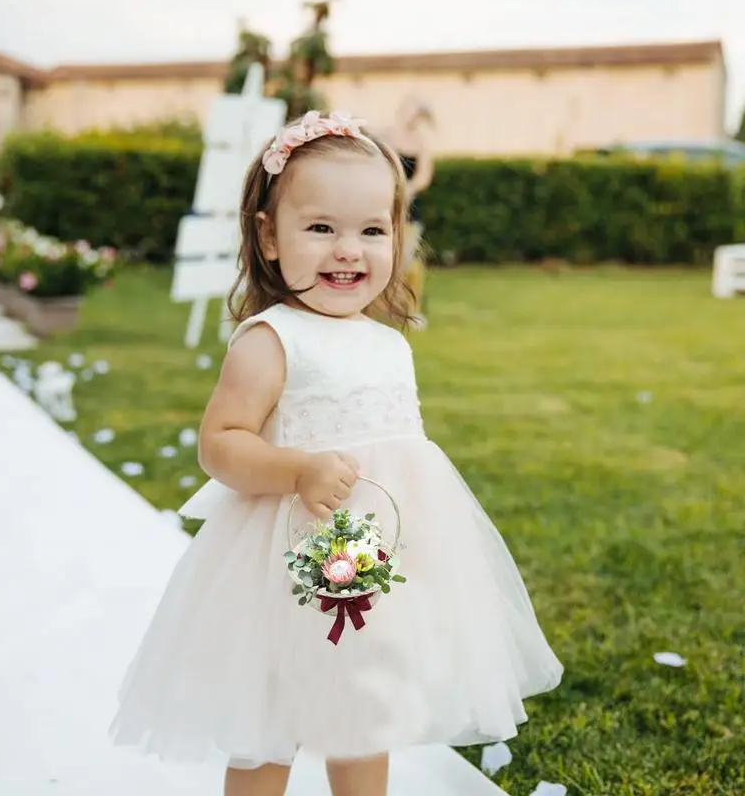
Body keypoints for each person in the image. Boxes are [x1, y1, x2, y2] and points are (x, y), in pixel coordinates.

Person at [109, 110, 563, 796]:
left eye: (372, 231)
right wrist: (297, 469)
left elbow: (397, 455)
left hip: (378, 567)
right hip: (288, 565)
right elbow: (221, 444)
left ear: (398, 238)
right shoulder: (273, 338)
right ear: (268, 236)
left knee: (364, 713)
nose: (348, 250)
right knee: (273, 716)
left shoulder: (388, 344)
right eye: (321, 228)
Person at [382, 98, 436, 326]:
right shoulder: (384, 137)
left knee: (409, 262)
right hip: (383, 207)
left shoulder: (420, 143)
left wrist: (407, 191)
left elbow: (424, 176)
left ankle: (410, 310)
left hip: (409, 212)